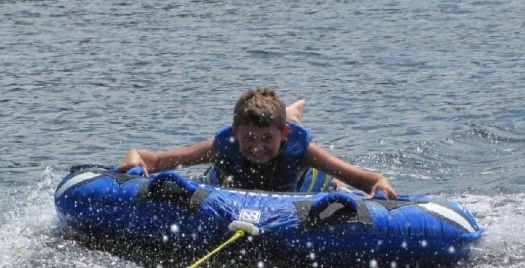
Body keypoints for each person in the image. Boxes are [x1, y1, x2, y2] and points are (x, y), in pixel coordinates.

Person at [119, 88, 397, 199]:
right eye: (248, 137)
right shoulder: (222, 146)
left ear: (282, 135)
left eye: (266, 138)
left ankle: (291, 116)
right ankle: (288, 114)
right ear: (235, 131)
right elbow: (152, 160)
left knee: (333, 181)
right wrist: (133, 158)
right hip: (235, 184)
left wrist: (380, 186)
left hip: (300, 186)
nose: (257, 146)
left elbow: (366, 179)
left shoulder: (301, 150)